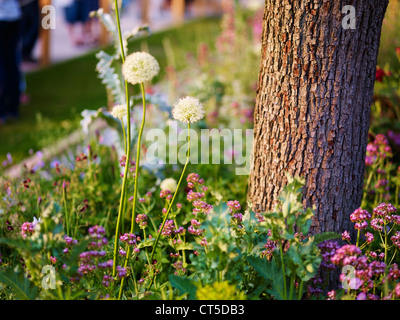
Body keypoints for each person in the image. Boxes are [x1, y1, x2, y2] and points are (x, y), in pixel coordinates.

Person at [0, 0, 22, 124]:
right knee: (11, 63)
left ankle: (2, 110)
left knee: (4, 65)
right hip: (13, 16)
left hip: (4, 17)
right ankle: (13, 107)